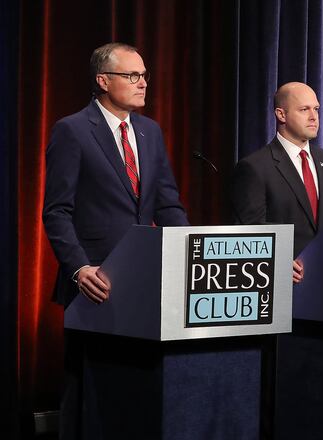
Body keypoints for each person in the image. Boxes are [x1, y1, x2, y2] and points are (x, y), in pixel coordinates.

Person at [42, 42, 188, 439]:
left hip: (143, 283)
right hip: (95, 282)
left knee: (133, 390)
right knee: (90, 389)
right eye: (133, 76)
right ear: (103, 81)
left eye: (144, 75)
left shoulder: (150, 131)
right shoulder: (72, 130)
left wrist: (188, 253)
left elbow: (167, 203)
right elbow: (56, 211)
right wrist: (78, 268)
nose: (143, 83)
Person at [232, 82, 323, 278]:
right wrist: (276, 261)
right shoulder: (255, 167)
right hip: (284, 283)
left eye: (316, 109)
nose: (313, 116)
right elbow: (250, 231)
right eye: (304, 109)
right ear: (281, 114)